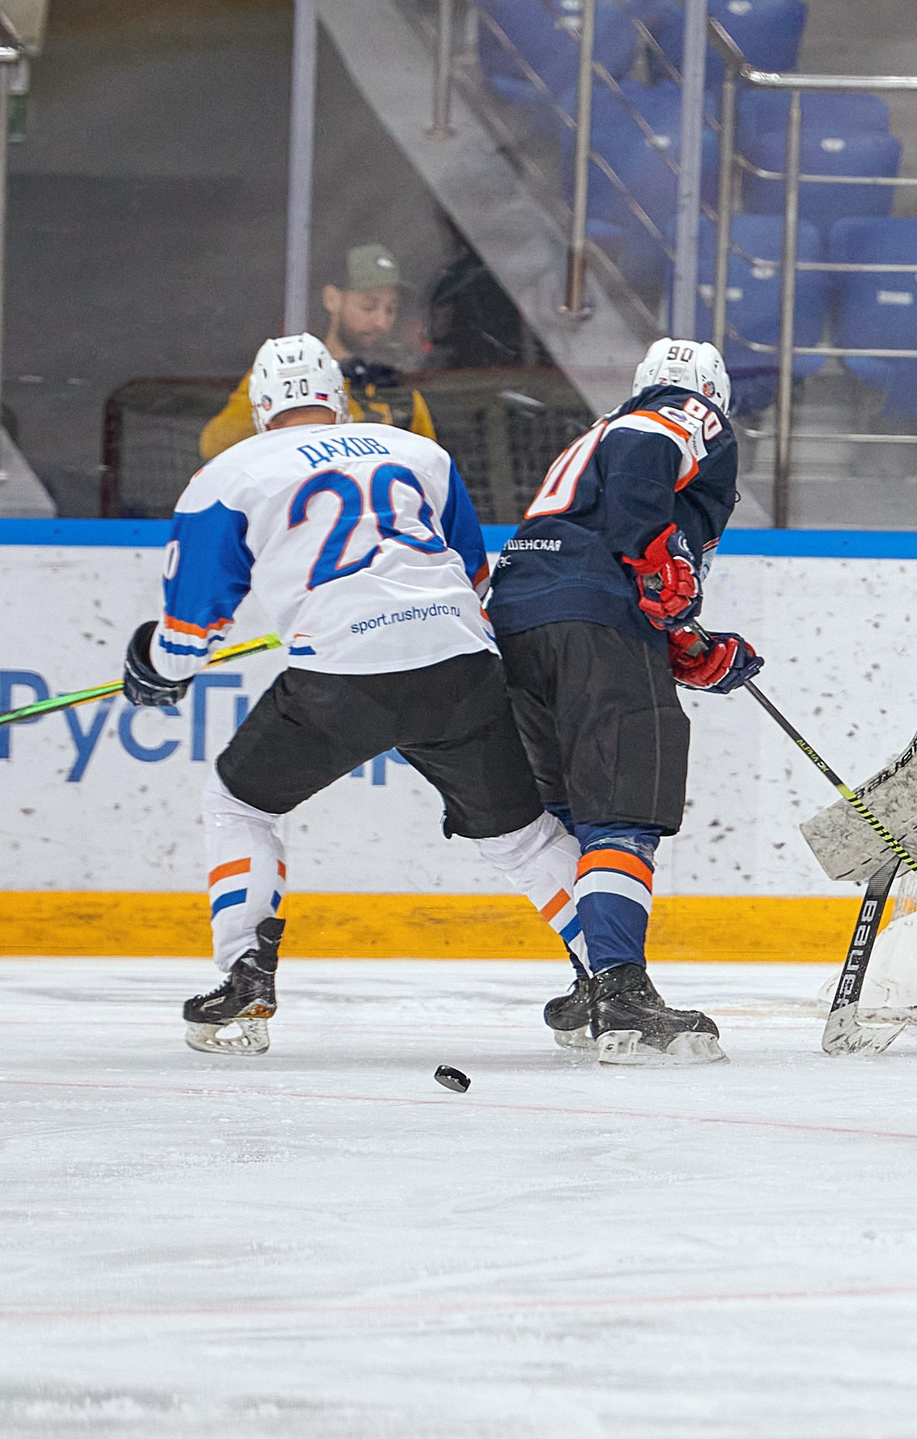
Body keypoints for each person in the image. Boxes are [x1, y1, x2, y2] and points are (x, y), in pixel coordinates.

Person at [121, 334, 587, 1056]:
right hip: (458, 662)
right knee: (521, 837)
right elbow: (474, 577)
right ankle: (612, 984)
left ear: (259, 406)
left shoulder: (227, 474)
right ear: (338, 399)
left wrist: (155, 667)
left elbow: (188, 635)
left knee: (239, 804)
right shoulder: (419, 453)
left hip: (342, 675)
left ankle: (245, 976)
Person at [485, 337, 754, 1062]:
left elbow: (617, 561)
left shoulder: (594, 439)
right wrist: (657, 554)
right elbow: (646, 459)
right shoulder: (681, 412)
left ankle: (595, 977)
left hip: (518, 624)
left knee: (575, 817)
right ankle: (621, 990)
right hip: (593, 622)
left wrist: (688, 642)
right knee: (620, 815)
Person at [200, 244, 437, 461]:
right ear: (332, 299)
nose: (381, 322)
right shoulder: (281, 371)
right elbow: (214, 446)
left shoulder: (400, 392)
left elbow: (431, 466)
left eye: (391, 309)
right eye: (368, 306)